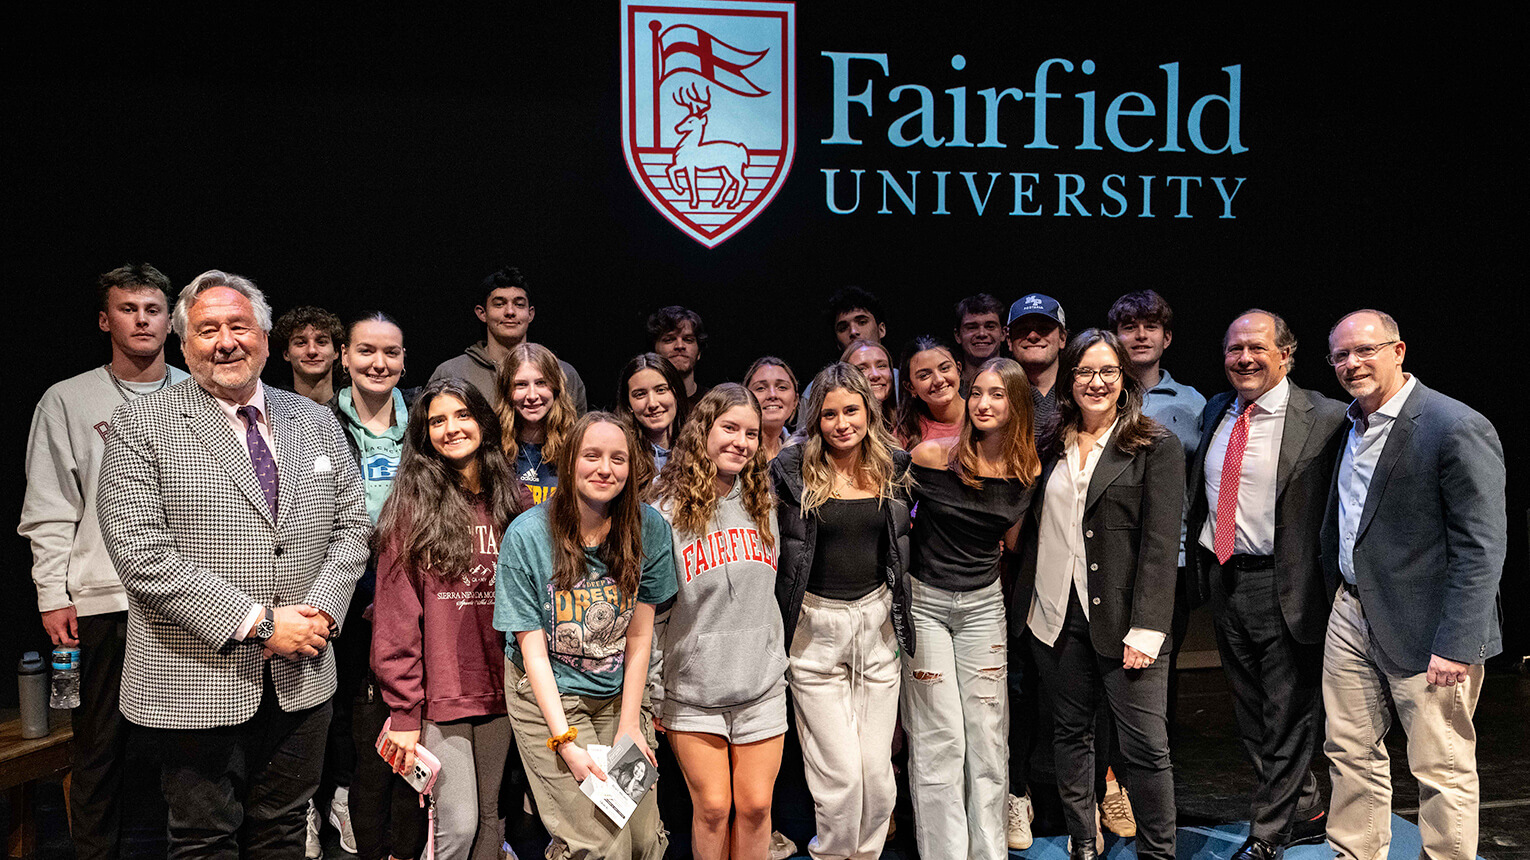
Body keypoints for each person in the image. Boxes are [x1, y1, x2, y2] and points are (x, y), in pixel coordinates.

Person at [97, 269, 372, 856]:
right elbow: (143, 558)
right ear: (183, 344)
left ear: (266, 340)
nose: (226, 342)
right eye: (207, 330)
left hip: (304, 676)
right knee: (204, 838)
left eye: (239, 326)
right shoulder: (136, 427)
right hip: (193, 678)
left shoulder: (315, 420)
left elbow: (353, 527)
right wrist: (263, 625)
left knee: (283, 829)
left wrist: (319, 613)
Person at [1320, 310, 1505, 860]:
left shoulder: (1454, 425)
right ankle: (1356, 852)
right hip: (1351, 611)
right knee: (1349, 750)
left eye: (1365, 350)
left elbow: (1482, 546)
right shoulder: (1348, 425)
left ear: (1399, 351)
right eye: (1341, 356)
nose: (1353, 363)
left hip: (1429, 627)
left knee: (1440, 762)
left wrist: (1457, 643)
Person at [19, 262, 185, 860]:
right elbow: (48, 507)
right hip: (101, 599)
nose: (141, 320)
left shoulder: (201, 395)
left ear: (171, 320)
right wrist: (52, 593)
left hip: (188, 602)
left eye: (153, 310)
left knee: (189, 755)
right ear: (103, 318)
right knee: (97, 751)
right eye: (127, 309)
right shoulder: (67, 399)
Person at [1018, 329, 1183, 860]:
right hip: (1054, 616)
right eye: (1084, 371)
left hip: (1127, 623)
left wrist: (1150, 628)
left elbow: (1161, 546)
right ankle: (1084, 844)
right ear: (1069, 379)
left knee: (1145, 750)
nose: (1096, 381)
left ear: (1123, 379)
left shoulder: (1154, 444)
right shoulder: (1048, 443)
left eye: (1108, 371)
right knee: (1071, 735)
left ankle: (1158, 854)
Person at [1186, 310, 1345, 859]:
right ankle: (1305, 808)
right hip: (1226, 579)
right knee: (1251, 713)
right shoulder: (1215, 411)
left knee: (1288, 716)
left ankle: (1268, 834)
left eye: (1256, 347)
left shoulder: (1326, 417)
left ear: (1286, 355)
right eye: (1234, 349)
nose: (1244, 358)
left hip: (1289, 585)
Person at [494, 412, 677, 860]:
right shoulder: (529, 534)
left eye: (618, 459)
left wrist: (631, 725)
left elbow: (639, 637)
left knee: (642, 843)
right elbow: (532, 653)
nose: (605, 469)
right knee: (597, 848)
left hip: (617, 695)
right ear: (571, 460)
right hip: (550, 695)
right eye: (592, 456)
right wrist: (565, 743)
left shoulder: (649, 528)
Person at [373, 379, 532, 860]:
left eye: (461, 415)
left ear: (482, 421)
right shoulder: (411, 508)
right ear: (424, 434)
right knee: (456, 825)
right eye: (437, 420)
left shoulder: (516, 503)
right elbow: (397, 618)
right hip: (441, 693)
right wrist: (404, 708)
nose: (451, 428)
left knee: (489, 820)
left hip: (504, 685)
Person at [772, 362, 914, 860]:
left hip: (876, 630)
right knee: (841, 778)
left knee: (877, 778)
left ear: (868, 411)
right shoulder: (791, 470)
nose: (841, 423)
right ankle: (832, 854)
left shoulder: (893, 464)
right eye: (829, 413)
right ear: (815, 418)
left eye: (851, 410)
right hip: (814, 632)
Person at [901, 358, 1040, 860]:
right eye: (977, 392)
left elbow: (1011, 542)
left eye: (997, 395)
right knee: (941, 741)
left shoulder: (1028, 470)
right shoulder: (932, 455)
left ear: (1017, 403)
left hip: (984, 606)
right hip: (926, 604)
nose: (982, 403)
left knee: (987, 738)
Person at [650, 384, 787, 860]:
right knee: (712, 807)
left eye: (751, 433)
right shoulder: (661, 510)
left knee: (754, 806)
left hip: (761, 682)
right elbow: (650, 610)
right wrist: (651, 692)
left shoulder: (763, 500)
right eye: (729, 428)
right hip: (693, 689)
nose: (741, 442)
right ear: (702, 430)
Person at [329, 312, 425, 860]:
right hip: (347, 582)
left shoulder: (422, 420)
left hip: (416, 581)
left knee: (407, 703)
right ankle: (347, 801)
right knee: (352, 709)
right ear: (345, 356)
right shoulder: (315, 420)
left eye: (390, 352)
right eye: (366, 351)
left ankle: (411, 826)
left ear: (404, 359)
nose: (378, 363)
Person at [430, 265, 588, 414]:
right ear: (482, 313)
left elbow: (577, 437)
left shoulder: (562, 373)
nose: (510, 312)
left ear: (530, 314)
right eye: (499, 304)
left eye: (519, 304)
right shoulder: (452, 372)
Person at [494, 342, 577, 505]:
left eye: (541, 383)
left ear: (556, 388)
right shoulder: (493, 448)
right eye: (521, 385)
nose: (532, 395)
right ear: (507, 392)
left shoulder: (575, 445)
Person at [616, 352, 689, 480]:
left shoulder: (696, 449)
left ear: (676, 394)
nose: (652, 403)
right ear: (628, 404)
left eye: (661, 390)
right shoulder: (620, 453)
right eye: (640, 394)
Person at [1006, 293, 1068, 432]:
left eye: (1044, 328)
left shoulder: (1079, 391)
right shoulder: (997, 392)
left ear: (1062, 338)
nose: (1033, 336)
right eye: (1023, 329)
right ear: (1009, 341)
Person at [893, 335, 964, 449]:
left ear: (958, 369)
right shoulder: (905, 435)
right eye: (924, 375)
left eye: (945, 368)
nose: (939, 380)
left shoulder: (984, 415)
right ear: (910, 387)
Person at [273, 305, 345, 405]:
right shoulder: (272, 408)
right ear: (286, 354)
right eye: (301, 343)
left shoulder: (355, 408)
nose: (312, 351)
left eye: (321, 342)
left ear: (336, 352)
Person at [646, 306, 708, 408]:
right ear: (654, 351)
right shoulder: (643, 405)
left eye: (688, 340)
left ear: (699, 352)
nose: (680, 346)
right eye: (669, 340)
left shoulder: (714, 403)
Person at [743, 356, 800, 461]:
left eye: (782, 387)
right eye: (760, 388)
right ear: (745, 398)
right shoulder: (737, 449)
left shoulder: (802, 453)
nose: (772, 395)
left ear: (795, 401)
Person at [953, 294, 1008, 395]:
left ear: (1003, 333)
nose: (982, 334)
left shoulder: (1020, 382)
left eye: (990, 326)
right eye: (972, 327)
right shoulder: (949, 387)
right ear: (958, 335)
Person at [842, 339, 896, 427]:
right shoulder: (844, 428)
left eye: (881, 366)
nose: (875, 375)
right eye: (862, 369)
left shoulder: (907, 425)